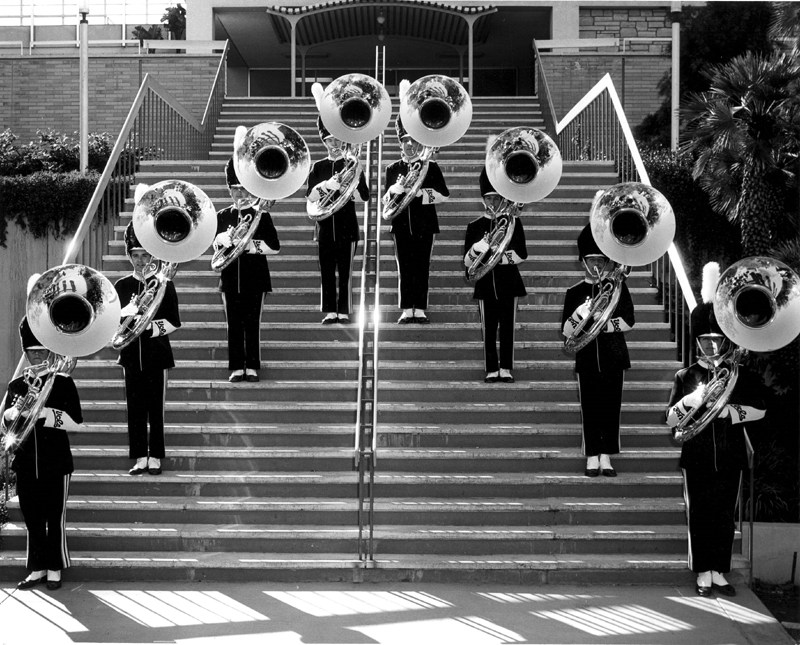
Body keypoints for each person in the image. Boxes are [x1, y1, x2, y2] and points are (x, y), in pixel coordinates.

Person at [666, 261, 765, 598]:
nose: (711, 347)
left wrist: (731, 413)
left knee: (725, 515)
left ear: (725, 341)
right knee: (700, 515)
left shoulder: (740, 375)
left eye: (716, 340)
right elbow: (669, 419)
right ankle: (702, 572)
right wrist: (689, 403)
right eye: (705, 340)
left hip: (731, 453)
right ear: (698, 340)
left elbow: (761, 410)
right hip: (695, 455)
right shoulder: (685, 376)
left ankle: (720, 571)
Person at [1, 315, 83, 591]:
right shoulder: (16, 387)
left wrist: (46, 414)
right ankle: (36, 569)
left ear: (49, 351)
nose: (36, 357)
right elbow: (5, 425)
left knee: (54, 518)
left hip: (56, 462)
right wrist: (13, 412)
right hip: (25, 463)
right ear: (25, 354)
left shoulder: (62, 382)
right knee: (32, 518)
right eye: (31, 353)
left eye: (41, 352)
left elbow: (76, 423)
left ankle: (55, 568)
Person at [561, 223, 634, 477]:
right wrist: (579, 314)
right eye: (591, 261)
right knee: (590, 407)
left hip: (614, 356)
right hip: (587, 358)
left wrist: (602, 324)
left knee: (611, 407)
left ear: (607, 262)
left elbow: (628, 321)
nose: (596, 266)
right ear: (582, 262)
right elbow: (567, 332)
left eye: (600, 261)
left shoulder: (619, 288)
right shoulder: (574, 293)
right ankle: (592, 455)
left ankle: (607, 456)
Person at [114, 222, 181, 476]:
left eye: (145, 255)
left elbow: (174, 322)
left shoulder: (164, 283)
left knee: (156, 409)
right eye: (136, 256)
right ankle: (140, 457)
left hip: (157, 354)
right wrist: (125, 317)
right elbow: (114, 323)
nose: (141, 261)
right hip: (130, 356)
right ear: (129, 257)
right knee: (135, 409)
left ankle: (156, 457)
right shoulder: (121, 286)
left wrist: (148, 328)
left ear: (152, 257)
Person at [213, 157, 280, 382]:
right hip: (230, 278)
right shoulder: (222, 216)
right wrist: (221, 240)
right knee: (233, 323)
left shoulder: (261, 214)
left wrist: (250, 246)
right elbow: (213, 247)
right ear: (229, 190)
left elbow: (275, 246)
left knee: (252, 323)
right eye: (235, 190)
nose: (240, 195)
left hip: (256, 277)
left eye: (243, 190)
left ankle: (251, 365)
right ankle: (236, 366)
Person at [463, 168, 528, 383]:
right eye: (488, 198)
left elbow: (521, 254)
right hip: (484, 285)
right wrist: (476, 250)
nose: (492, 202)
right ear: (482, 200)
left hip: (509, 283)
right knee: (488, 330)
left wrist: (497, 257)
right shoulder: (474, 226)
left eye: (496, 198)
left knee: (507, 328)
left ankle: (506, 367)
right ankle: (491, 368)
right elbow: (467, 263)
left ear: (502, 199)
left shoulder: (513, 223)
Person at [383, 116, 450, 324]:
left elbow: (444, 195)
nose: (410, 144)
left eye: (413, 140)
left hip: (425, 224)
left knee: (421, 266)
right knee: (403, 267)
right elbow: (386, 201)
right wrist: (393, 191)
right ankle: (406, 309)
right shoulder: (392, 169)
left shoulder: (431, 166)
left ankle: (419, 308)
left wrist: (420, 194)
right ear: (400, 143)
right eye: (405, 140)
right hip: (400, 225)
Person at [305, 117, 370, 325]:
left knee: (345, 272)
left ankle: (344, 310)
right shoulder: (318, 167)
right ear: (324, 142)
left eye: (337, 140)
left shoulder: (353, 164)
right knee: (326, 270)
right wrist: (326, 185)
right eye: (329, 140)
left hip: (347, 227)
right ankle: (330, 311)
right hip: (324, 228)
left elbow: (365, 195)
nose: (334, 144)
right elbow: (310, 196)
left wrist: (346, 191)